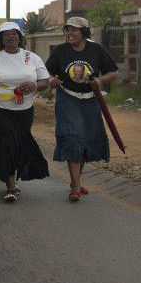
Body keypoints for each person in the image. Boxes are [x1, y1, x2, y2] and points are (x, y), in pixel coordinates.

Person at [45, 16, 118, 202]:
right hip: (68, 98)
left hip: (91, 100)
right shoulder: (60, 51)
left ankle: (75, 179)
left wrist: (100, 81)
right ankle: (76, 186)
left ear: (84, 32)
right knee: (73, 136)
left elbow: (113, 72)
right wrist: (52, 81)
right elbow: (46, 72)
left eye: (74, 30)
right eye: (67, 29)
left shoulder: (97, 49)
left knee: (87, 139)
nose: (70, 33)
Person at [0, 21, 50, 202]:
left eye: (14, 33)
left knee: (19, 144)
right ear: (1, 38)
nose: (11, 36)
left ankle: (12, 178)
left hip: (24, 111)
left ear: (20, 37)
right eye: (6, 34)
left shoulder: (31, 57)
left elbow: (45, 81)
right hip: (1, 109)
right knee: (6, 143)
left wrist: (34, 85)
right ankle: (10, 185)